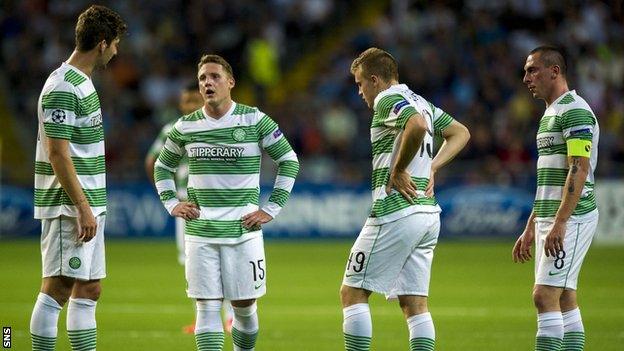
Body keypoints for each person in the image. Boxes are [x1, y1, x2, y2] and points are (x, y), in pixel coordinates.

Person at [154, 54, 299, 351]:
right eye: (203, 78)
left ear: (230, 82)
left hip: (243, 231)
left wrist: (271, 208)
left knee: (244, 307)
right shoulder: (185, 126)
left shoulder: (254, 119)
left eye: (214, 76)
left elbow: (289, 160)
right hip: (200, 231)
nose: (208, 83)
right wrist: (171, 203)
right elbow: (161, 166)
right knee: (206, 307)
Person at [340, 47, 470, 351]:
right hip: (427, 214)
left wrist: (397, 169)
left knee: (352, 292)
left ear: (375, 79)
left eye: (360, 84)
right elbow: (460, 132)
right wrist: (432, 167)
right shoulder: (421, 101)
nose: (360, 92)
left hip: (396, 211)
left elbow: (417, 126)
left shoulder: (387, 99)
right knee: (414, 304)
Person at [30, 5, 126, 351]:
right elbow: (58, 153)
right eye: (114, 44)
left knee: (89, 287)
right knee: (57, 287)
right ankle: (8, 344)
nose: (116, 51)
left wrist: (92, 207)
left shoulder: (82, 83)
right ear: (102, 43)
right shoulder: (62, 86)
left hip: (90, 206)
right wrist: (82, 206)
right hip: (69, 206)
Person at [513, 45, 599, 351]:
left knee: (543, 295)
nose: (526, 78)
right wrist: (532, 223)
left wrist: (561, 221)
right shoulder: (551, 112)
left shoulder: (574, 109)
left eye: (532, 70)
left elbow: (578, 168)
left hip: (572, 217)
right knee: (563, 297)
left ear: (554, 71)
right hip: (551, 216)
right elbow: (548, 178)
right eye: (525, 71)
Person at [145, 81, 235, 334]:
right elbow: (152, 161)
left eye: (194, 101)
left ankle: (229, 317)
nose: (189, 106)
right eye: (185, 102)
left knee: (222, 258)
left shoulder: (218, 127)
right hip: (186, 205)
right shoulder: (173, 129)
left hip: (214, 204)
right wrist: (167, 197)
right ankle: (204, 318)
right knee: (192, 263)